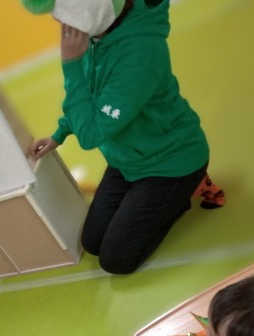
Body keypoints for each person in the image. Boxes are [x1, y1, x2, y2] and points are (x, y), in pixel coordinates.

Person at [23, 0, 224, 275]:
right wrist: (59, 134)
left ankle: (183, 195)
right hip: (127, 160)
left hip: (170, 164)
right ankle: (157, 202)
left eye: (66, 18)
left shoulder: (139, 56)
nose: (61, 25)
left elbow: (91, 135)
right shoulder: (98, 36)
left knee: (115, 261)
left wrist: (71, 65)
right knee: (92, 242)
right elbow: (93, 94)